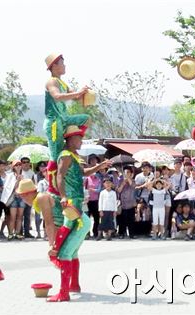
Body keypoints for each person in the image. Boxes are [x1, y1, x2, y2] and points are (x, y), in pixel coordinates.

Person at [47, 125, 110, 302]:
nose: (81, 141)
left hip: (76, 204)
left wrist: (100, 166)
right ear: (70, 139)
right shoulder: (66, 156)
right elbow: (59, 176)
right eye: (79, 138)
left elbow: (83, 173)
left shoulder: (73, 156)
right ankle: (72, 284)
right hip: (72, 200)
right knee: (71, 250)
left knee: (66, 252)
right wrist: (64, 196)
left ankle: (65, 290)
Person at [43, 53, 91, 196]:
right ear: (54, 66)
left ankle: (72, 143)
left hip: (64, 119)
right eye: (62, 63)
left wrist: (84, 94)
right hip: (54, 122)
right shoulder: (51, 82)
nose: (65, 66)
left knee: (86, 118)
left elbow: (76, 97)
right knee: (55, 154)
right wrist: (77, 93)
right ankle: (53, 187)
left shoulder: (63, 83)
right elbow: (57, 97)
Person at [1, 160, 25, 240]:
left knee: (20, 216)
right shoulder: (10, 176)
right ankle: (11, 233)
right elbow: (9, 188)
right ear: (13, 167)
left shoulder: (23, 175)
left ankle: (17, 233)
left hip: (21, 197)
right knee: (12, 217)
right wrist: (18, 180)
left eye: (19, 164)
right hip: (13, 198)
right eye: (16, 165)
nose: (18, 166)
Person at [116, 165, 137, 239]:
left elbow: (133, 186)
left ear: (131, 173)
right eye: (125, 172)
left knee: (131, 219)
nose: (126, 174)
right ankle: (121, 233)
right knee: (122, 219)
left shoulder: (133, 180)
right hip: (123, 203)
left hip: (131, 203)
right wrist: (122, 184)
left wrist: (128, 179)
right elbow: (118, 190)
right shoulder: (120, 180)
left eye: (128, 172)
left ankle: (132, 234)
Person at [35, 168, 49, 239]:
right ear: (44, 173)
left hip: (52, 202)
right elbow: (39, 192)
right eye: (47, 172)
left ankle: (50, 233)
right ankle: (45, 234)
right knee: (45, 219)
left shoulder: (54, 181)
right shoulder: (41, 182)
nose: (49, 173)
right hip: (44, 202)